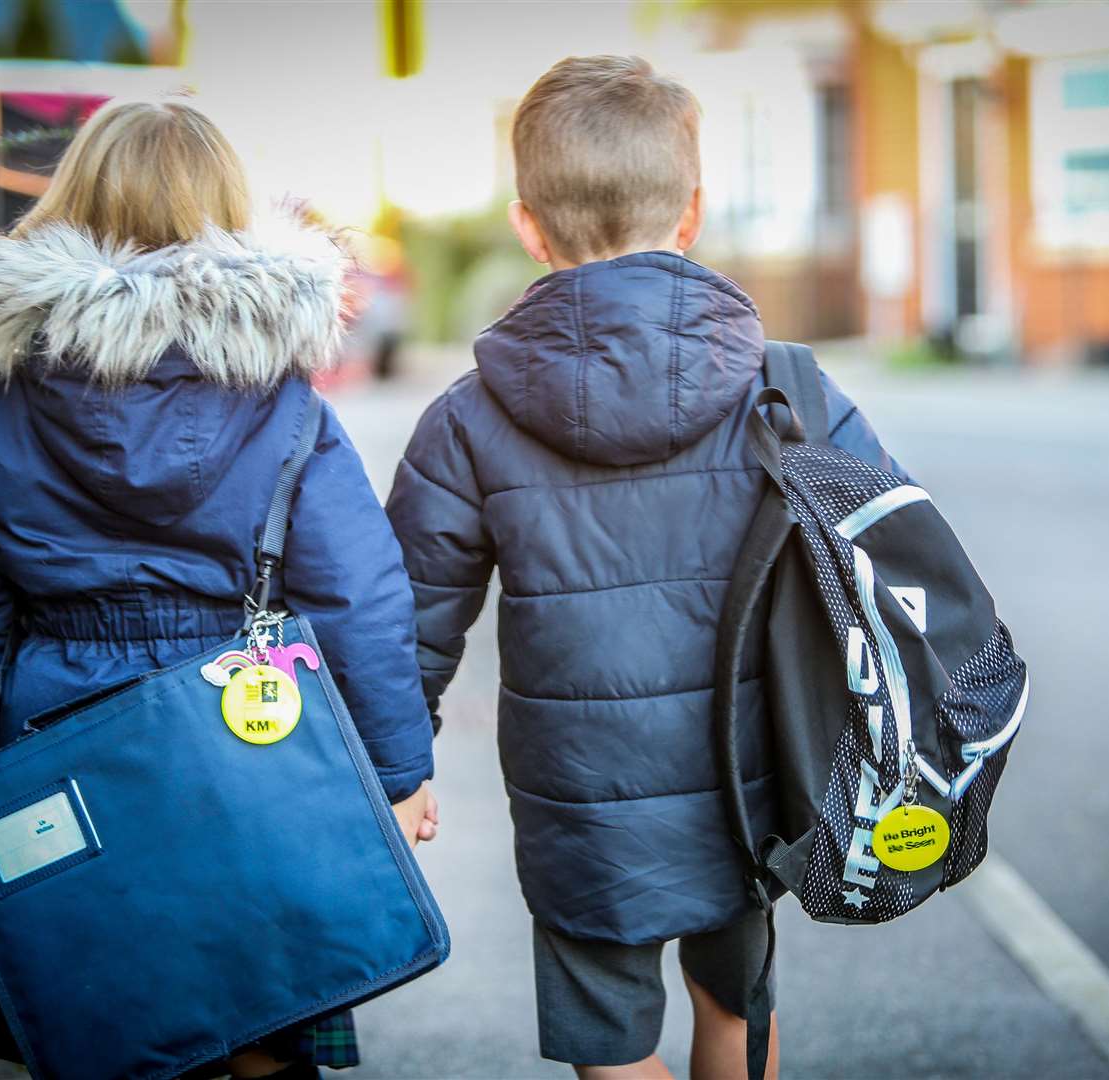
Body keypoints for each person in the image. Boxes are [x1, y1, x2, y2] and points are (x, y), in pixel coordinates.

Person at [385, 56, 908, 1080]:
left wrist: (399, 770)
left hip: (581, 800)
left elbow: (409, 619)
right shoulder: (787, 391)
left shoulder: (467, 419)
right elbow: (892, 554)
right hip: (751, 773)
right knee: (734, 1012)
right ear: (692, 214)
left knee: (610, 1043)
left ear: (528, 225)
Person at [0, 98, 438, 1080]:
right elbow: (357, 594)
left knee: (104, 1022)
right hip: (246, 742)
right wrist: (400, 771)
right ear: (226, 215)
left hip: (60, 747)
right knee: (263, 1018)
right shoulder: (278, 394)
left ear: (72, 204)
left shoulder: (1, 397)